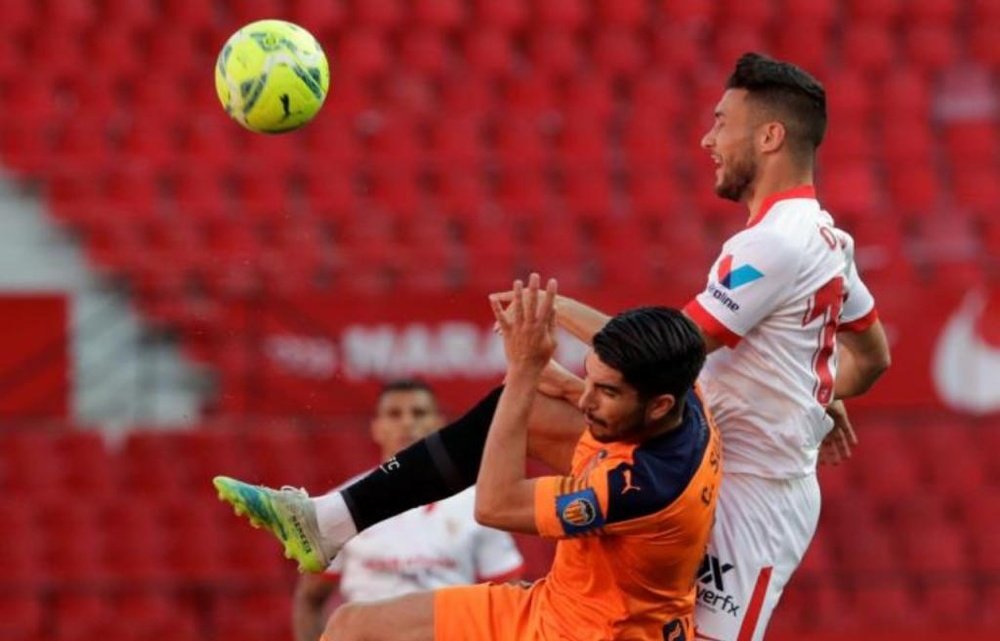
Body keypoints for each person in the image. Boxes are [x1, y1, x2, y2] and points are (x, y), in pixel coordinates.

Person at [214, 53, 891, 640]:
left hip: (750, 499)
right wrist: (815, 395)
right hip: (696, 445)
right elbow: (871, 356)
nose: (707, 137)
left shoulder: (770, 244)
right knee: (534, 404)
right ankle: (331, 519)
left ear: (770, 136)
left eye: (722, 121)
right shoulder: (825, 236)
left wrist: (549, 317)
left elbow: (667, 355)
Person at [217, 275, 721, 640]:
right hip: (554, 603)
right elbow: (624, 340)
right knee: (350, 626)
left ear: (656, 406)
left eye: (606, 392)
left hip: (587, 633)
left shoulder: (638, 488)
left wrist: (525, 370)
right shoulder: (683, 390)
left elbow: (496, 506)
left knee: (523, 398)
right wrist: (550, 306)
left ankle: (331, 520)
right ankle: (332, 520)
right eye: (590, 380)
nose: (588, 399)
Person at [291, 379, 524, 641]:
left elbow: (510, 600)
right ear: (376, 428)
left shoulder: (479, 504)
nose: (406, 422)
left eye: (419, 413)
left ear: (439, 424)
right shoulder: (342, 506)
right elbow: (310, 599)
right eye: (394, 414)